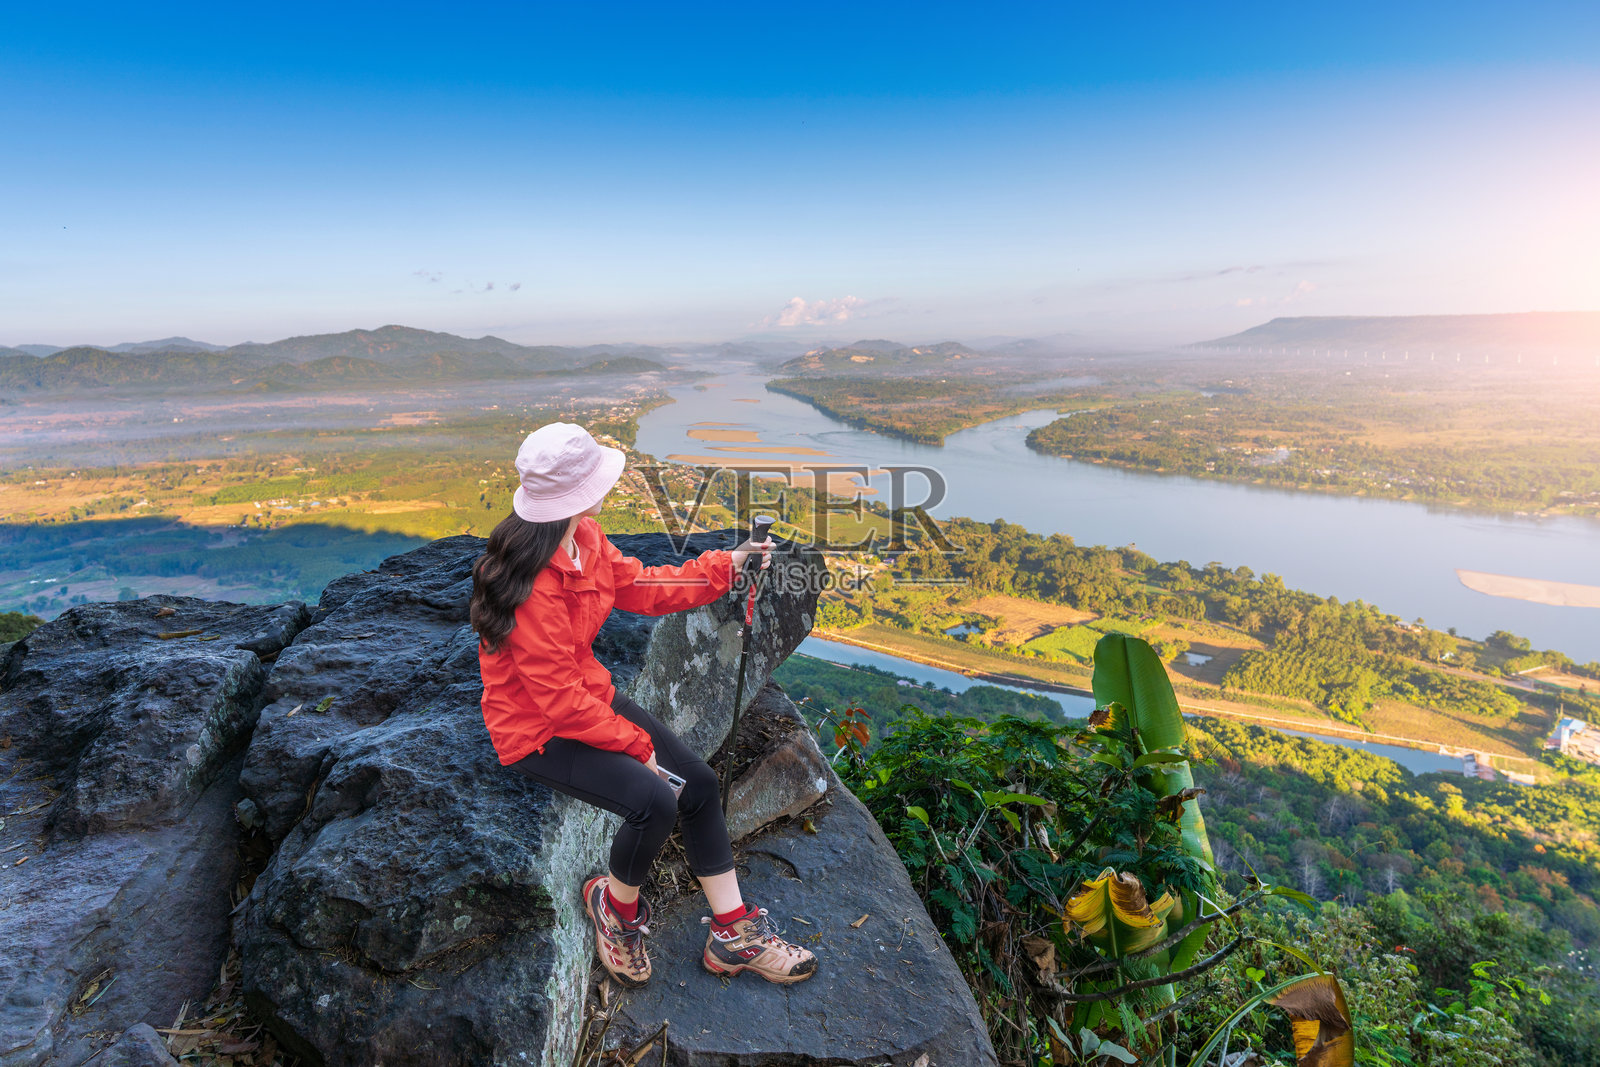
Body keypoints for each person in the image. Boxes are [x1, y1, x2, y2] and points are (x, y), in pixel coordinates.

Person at [471, 422, 819, 988]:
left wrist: (723, 567)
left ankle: (733, 932)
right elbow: (557, 703)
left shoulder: (584, 539)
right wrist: (637, 748)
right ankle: (616, 910)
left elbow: (644, 586)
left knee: (699, 785)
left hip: (588, 700)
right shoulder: (533, 583)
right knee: (654, 801)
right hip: (536, 733)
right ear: (578, 493)